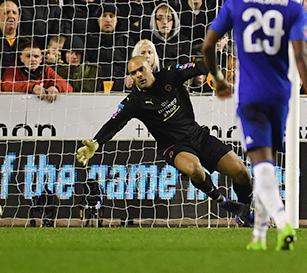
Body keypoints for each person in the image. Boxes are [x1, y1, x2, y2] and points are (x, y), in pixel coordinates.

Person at [201, 0, 307, 250]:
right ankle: (258, 237)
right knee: (268, 162)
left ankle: (282, 224)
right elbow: (301, 53)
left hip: (250, 93)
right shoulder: (293, 9)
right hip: (280, 93)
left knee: (262, 165)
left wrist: (217, 78)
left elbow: (208, 44)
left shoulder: (237, 3)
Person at [75, 54, 254, 224]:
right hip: (173, 147)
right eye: (133, 73)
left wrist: (212, 74)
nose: (138, 75)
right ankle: (225, 203)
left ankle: (245, 213)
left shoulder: (170, 74)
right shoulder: (134, 101)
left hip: (197, 135)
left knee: (242, 173)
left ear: (150, 67)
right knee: (195, 169)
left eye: (141, 69)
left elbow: (200, 66)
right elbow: (114, 123)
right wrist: (96, 142)